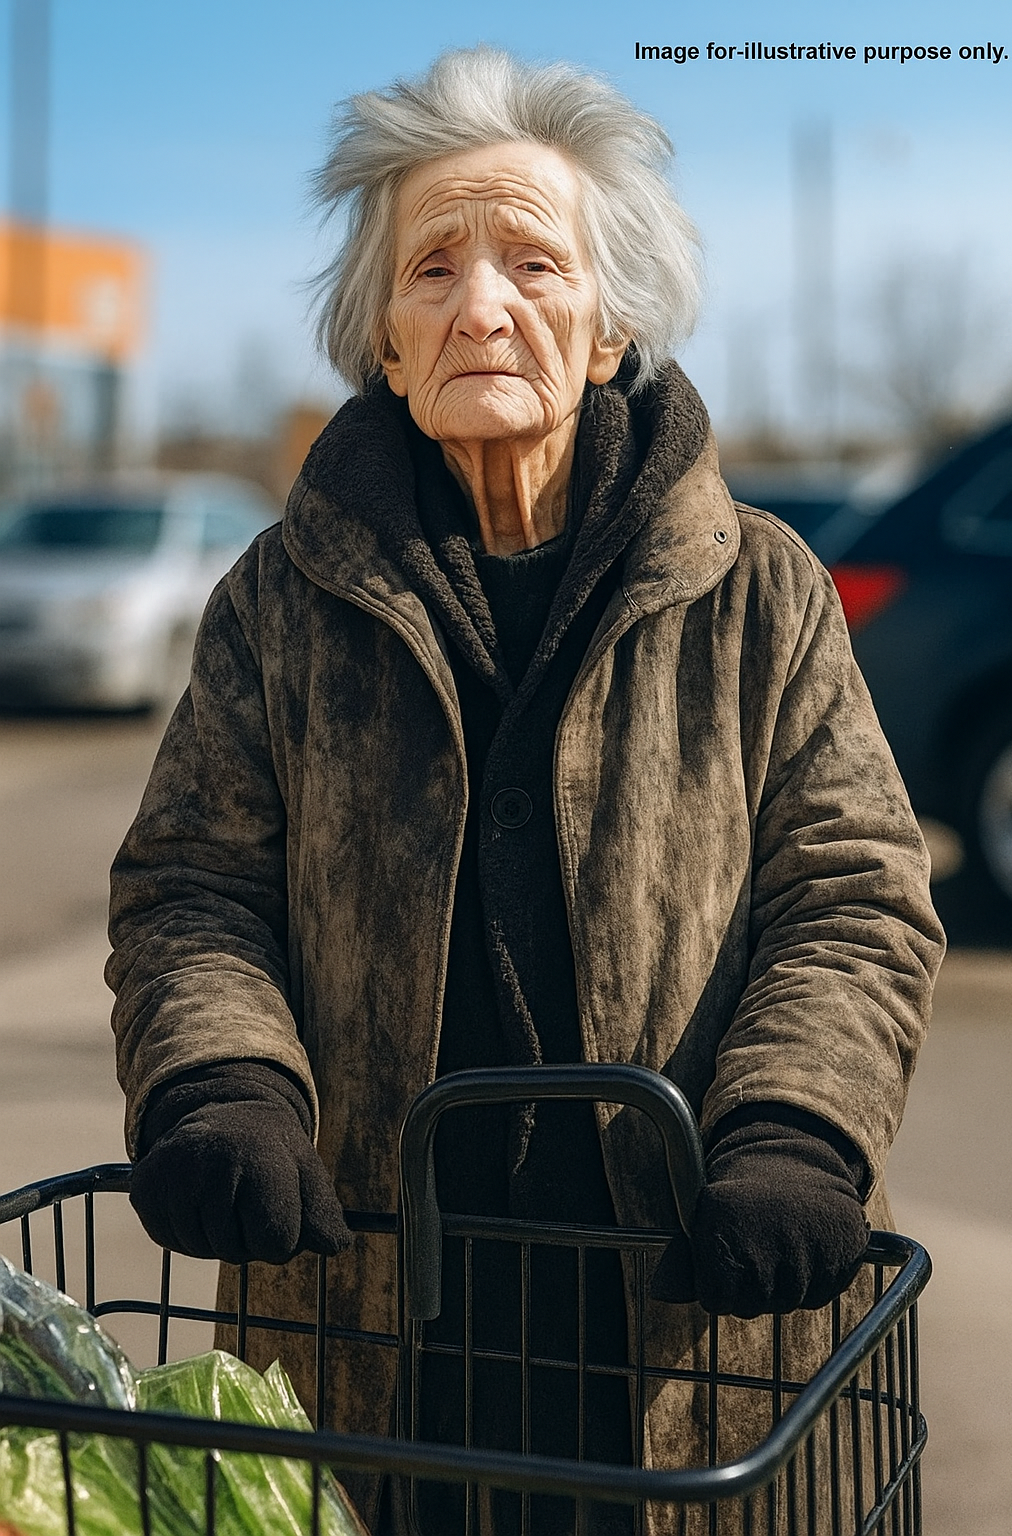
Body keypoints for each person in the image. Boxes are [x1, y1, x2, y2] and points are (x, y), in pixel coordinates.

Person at [107, 47, 944, 1536]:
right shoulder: (279, 601)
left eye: (533, 261)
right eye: (432, 266)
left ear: (612, 318)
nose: (482, 303)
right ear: (382, 335)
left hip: (686, 1321)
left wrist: (797, 1130)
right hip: (365, 1310)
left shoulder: (761, 592)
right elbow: (193, 886)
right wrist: (224, 1085)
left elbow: (856, 895)